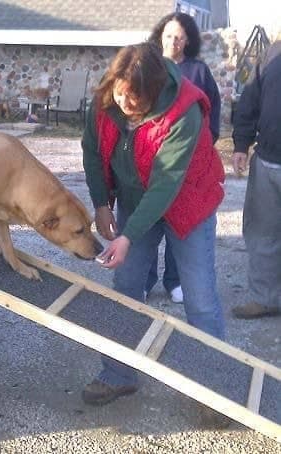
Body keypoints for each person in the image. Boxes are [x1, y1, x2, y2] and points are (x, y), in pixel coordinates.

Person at [81, 42, 225, 406]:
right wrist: (101, 203)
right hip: (134, 199)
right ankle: (118, 374)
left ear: (156, 92)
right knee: (127, 286)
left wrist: (127, 235)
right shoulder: (106, 97)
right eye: (121, 94)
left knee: (201, 298)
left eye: (136, 101)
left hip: (186, 202)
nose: (125, 105)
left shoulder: (185, 111)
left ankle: (213, 390)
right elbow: (92, 150)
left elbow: (165, 185)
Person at [145, 12, 222, 304]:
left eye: (179, 37)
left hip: (189, 165)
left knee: (182, 221)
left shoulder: (199, 71)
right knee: (151, 223)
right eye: (168, 35)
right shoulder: (149, 68)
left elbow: (211, 112)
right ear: (160, 36)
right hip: (152, 162)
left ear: (187, 40)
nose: (173, 41)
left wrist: (204, 144)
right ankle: (146, 280)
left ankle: (174, 281)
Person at [231, 36, 281, 319]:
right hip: (267, 161)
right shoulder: (272, 53)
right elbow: (249, 101)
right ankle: (266, 299)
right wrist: (241, 144)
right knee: (263, 235)